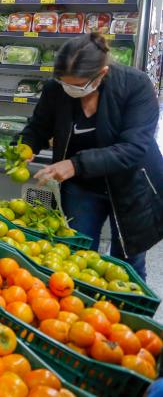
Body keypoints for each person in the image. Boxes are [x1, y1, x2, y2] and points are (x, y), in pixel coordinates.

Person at [18, 32, 163, 279]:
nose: (70, 90)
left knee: (127, 266)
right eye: (65, 83)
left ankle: (129, 314)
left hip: (132, 185)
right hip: (81, 188)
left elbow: (134, 147)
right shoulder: (56, 89)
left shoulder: (136, 85)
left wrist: (75, 164)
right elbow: (39, 125)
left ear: (102, 74)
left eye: (78, 85)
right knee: (76, 255)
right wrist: (25, 145)